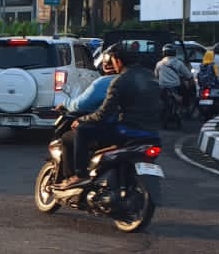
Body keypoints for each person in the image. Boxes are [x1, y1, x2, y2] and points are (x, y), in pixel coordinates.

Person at [69, 41, 162, 181]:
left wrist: (82, 120)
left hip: (126, 132)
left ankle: (80, 175)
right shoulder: (151, 77)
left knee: (82, 130)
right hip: (153, 133)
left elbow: (103, 114)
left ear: (118, 61)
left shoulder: (120, 81)